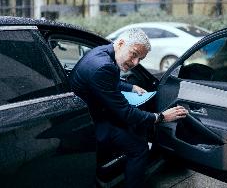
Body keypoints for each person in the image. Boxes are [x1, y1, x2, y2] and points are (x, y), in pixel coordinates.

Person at [69, 28, 188, 188]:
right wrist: (161, 117)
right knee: (139, 148)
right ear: (121, 43)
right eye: (134, 54)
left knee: (137, 127)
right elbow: (127, 113)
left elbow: (105, 81)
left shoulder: (101, 52)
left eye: (141, 59)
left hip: (89, 112)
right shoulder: (103, 67)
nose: (135, 63)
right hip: (92, 123)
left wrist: (131, 87)